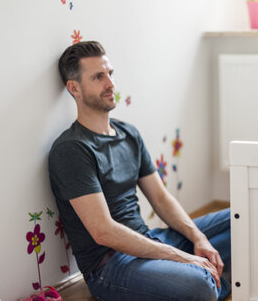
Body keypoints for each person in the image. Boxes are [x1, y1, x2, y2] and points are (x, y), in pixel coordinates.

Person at [48, 41, 231, 301]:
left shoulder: (128, 133)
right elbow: (104, 231)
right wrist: (182, 258)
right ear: (74, 88)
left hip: (150, 241)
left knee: (240, 220)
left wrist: (198, 239)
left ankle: (214, 279)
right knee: (199, 285)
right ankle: (218, 280)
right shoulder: (72, 149)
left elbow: (161, 198)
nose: (110, 84)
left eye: (109, 74)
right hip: (111, 266)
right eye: (98, 77)